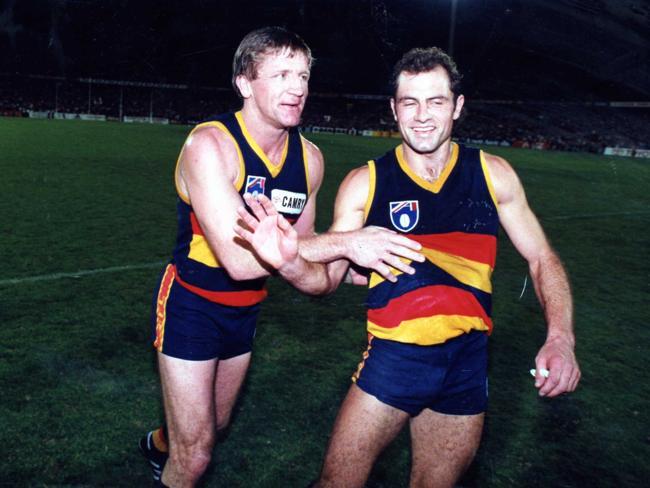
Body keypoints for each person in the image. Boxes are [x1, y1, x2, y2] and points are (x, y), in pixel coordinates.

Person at [235, 46, 581, 488]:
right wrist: (291, 260)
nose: (422, 116)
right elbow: (324, 283)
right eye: (409, 102)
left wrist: (561, 339)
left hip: (467, 364)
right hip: (395, 360)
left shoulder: (494, 175)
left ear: (457, 107)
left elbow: (541, 257)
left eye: (436, 102)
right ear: (393, 110)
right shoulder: (366, 183)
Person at [138, 27, 423, 488]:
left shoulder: (309, 160)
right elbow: (240, 262)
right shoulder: (210, 146)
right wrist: (345, 242)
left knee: (213, 425)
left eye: (304, 75)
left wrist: (348, 270)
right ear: (245, 83)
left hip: (245, 313)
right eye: (282, 74)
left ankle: (158, 443)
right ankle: (173, 453)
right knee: (196, 455)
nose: (298, 88)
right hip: (191, 303)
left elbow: (304, 270)